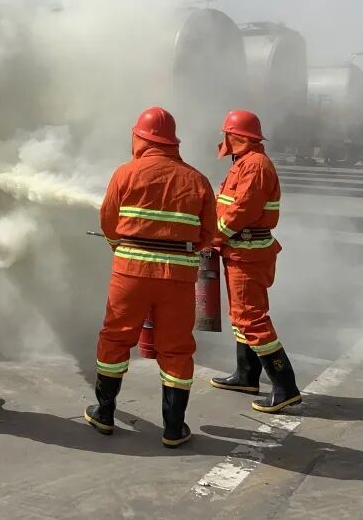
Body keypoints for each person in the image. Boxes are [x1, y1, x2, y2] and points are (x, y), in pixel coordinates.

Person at [86, 107, 217, 448]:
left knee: (115, 338)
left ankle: (104, 413)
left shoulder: (125, 173)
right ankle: (173, 428)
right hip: (178, 275)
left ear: (140, 138)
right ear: (172, 142)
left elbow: (108, 221)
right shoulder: (198, 180)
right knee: (176, 347)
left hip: (130, 272)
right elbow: (208, 233)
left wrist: (121, 247)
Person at [209, 110, 302, 413]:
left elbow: (242, 210)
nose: (224, 140)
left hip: (247, 253)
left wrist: (214, 236)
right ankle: (246, 375)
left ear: (236, 136)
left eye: (227, 134)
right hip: (240, 250)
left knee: (251, 318)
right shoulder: (245, 162)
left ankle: (285, 386)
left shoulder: (255, 166)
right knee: (241, 315)